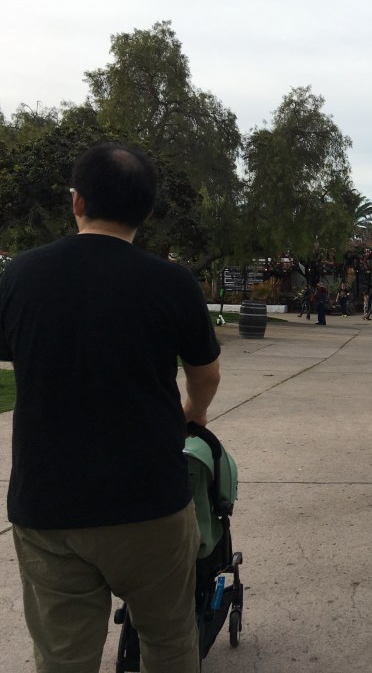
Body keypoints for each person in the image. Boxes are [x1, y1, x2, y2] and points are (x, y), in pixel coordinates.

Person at [0, 143, 221, 672]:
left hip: (48, 504)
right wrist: (193, 410)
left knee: (62, 656)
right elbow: (207, 373)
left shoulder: (20, 275)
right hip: (150, 501)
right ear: (147, 210)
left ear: (77, 201)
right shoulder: (173, 282)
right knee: (170, 641)